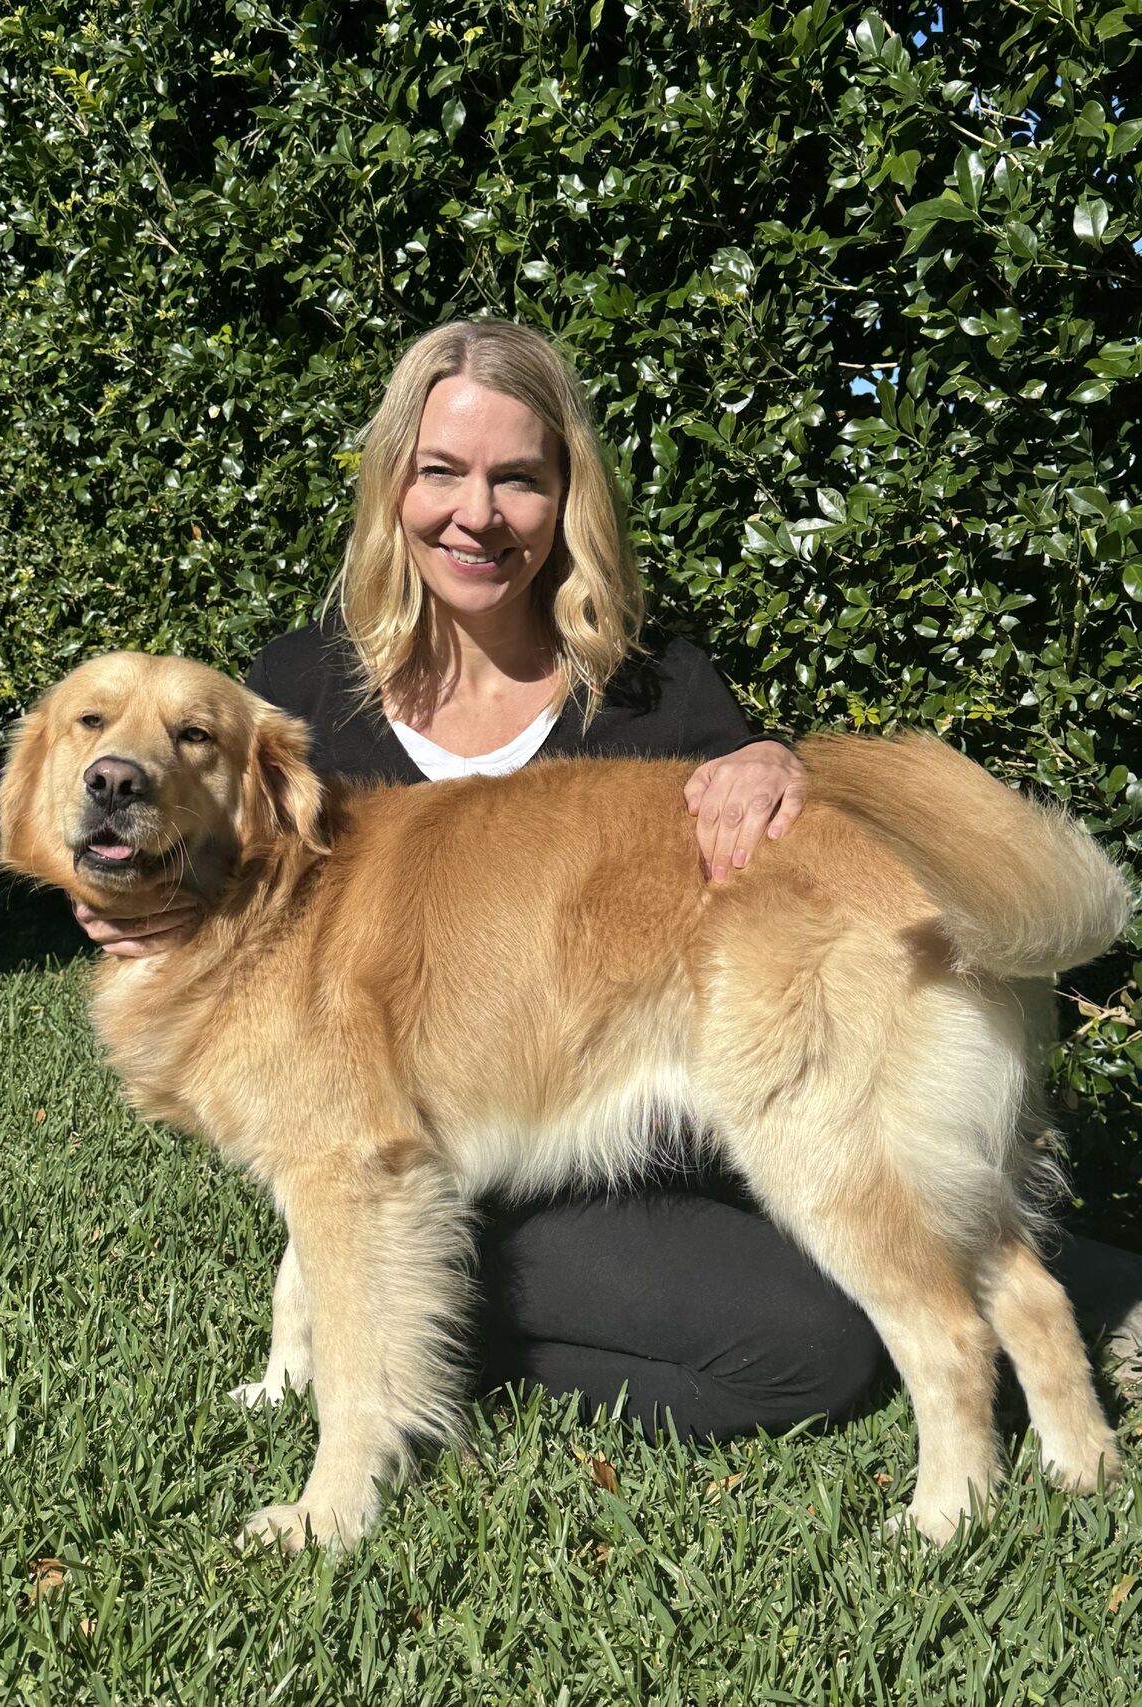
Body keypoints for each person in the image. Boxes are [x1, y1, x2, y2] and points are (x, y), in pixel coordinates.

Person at [76, 319, 1140, 1440]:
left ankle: (416, 1317)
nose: (476, 515)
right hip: (401, 1141)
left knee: (814, 1354)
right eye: (440, 471)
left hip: (607, 1157)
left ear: (565, 496)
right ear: (394, 483)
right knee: (789, 1338)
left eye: (517, 479)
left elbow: (757, 876)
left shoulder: (655, 693)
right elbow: (209, 866)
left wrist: (774, 758)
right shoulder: (300, 687)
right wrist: (142, 913)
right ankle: (390, 1319)